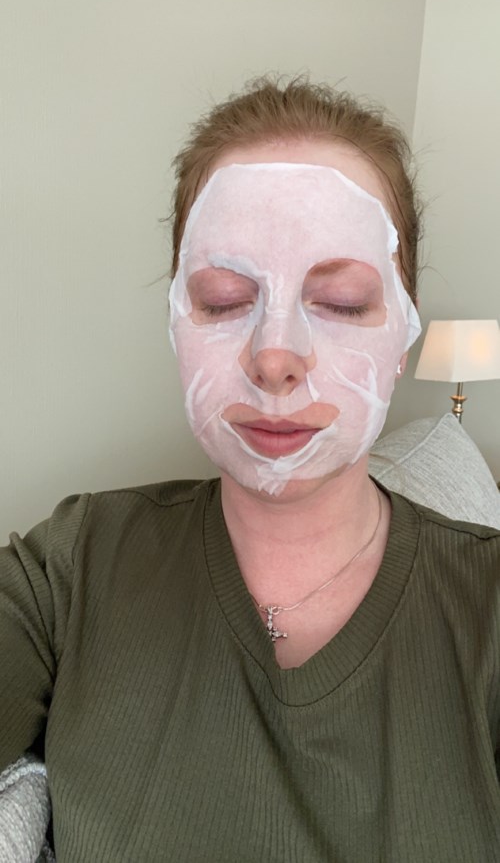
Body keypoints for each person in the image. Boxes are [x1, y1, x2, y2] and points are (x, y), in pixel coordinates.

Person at [1, 76, 500, 862]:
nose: (275, 356)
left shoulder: (487, 609)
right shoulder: (71, 566)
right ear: (177, 321)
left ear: (403, 335)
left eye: (341, 301)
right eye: (226, 298)